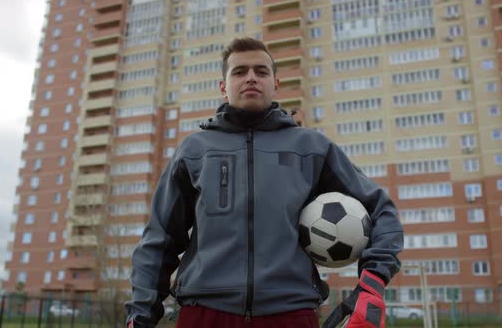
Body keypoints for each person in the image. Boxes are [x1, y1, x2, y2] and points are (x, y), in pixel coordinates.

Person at [125, 37, 404, 328]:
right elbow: (159, 240)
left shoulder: (312, 147)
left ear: (275, 83)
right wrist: (141, 313)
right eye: (239, 72)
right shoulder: (195, 150)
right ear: (223, 86)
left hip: (291, 313)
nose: (250, 78)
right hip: (204, 313)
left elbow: (381, 210)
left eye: (261, 71)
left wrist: (371, 283)